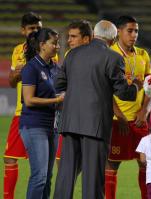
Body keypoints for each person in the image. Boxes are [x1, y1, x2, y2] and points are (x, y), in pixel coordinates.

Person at [53, 20, 143, 199]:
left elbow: (59, 84)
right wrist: (136, 86)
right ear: (113, 38)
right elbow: (124, 92)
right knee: (93, 179)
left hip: (70, 122)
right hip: (95, 124)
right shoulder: (113, 57)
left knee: (65, 176)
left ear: (94, 35)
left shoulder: (72, 54)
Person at [105, 15, 151, 199]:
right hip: (118, 121)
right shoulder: (110, 54)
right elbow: (105, 89)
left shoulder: (143, 55)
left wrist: (144, 110)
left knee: (146, 163)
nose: (134, 35)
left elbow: (150, 85)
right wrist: (119, 115)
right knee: (112, 165)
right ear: (119, 32)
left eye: (136, 31)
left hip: (139, 120)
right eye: (130, 31)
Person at [20, 27, 63, 199]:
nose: (57, 46)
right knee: (40, 177)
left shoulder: (56, 68)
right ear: (42, 45)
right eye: (54, 43)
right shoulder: (31, 67)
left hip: (52, 127)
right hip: (33, 126)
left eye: (58, 43)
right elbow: (29, 100)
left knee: (47, 177)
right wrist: (57, 101)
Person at [3, 12, 43, 199]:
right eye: (31, 28)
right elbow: (12, 82)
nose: (35, 31)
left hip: (41, 113)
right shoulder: (18, 51)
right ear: (23, 30)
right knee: (9, 158)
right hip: (21, 112)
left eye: (38, 27)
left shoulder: (47, 48)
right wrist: (17, 73)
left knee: (42, 164)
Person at [55, 19, 93, 164]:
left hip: (89, 117)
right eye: (69, 36)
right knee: (62, 159)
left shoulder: (98, 57)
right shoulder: (69, 55)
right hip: (72, 115)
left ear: (86, 39)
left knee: (89, 161)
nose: (69, 40)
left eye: (73, 36)